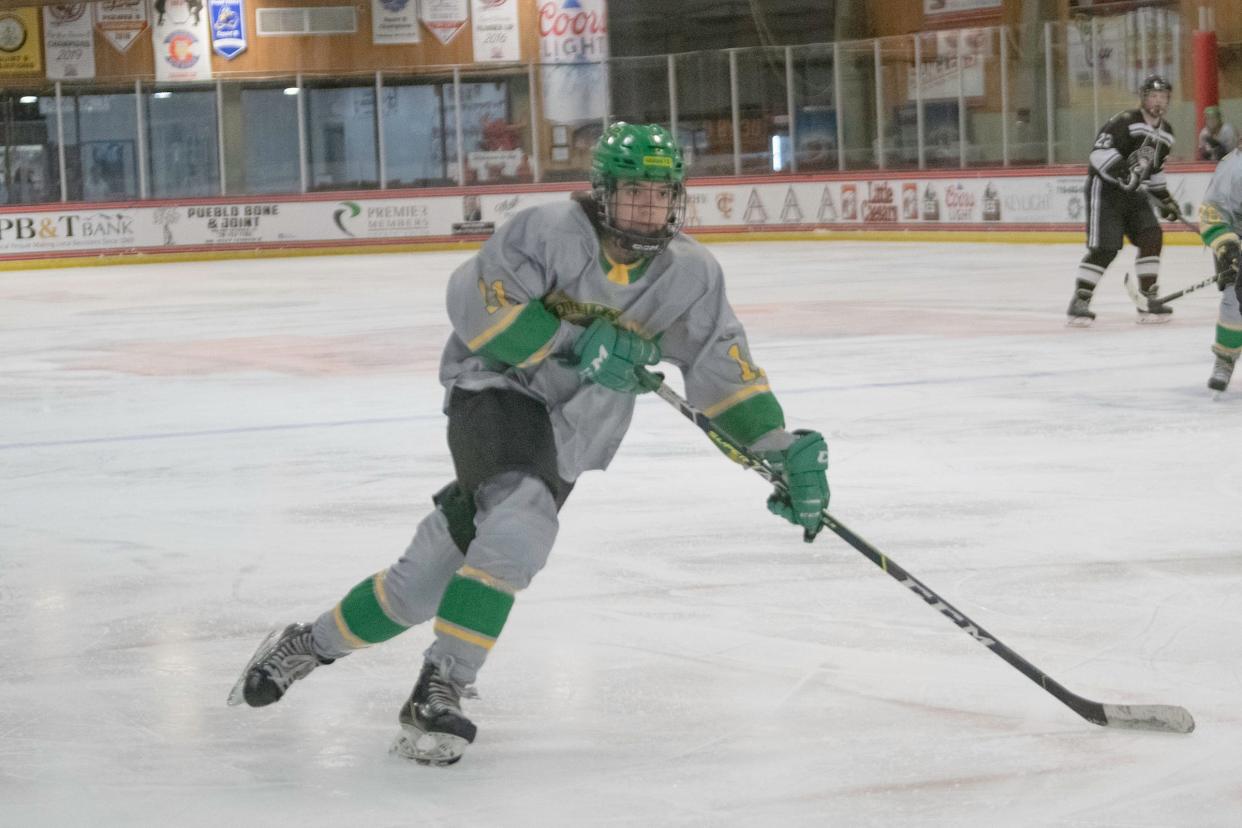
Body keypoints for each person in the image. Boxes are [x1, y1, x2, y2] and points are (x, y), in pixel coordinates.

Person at [227, 122, 831, 767]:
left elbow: (724, 370)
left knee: (420, 586)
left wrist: (775, 448)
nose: (647, 208)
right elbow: (475, 306)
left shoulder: (692, 274)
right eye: (633, 192)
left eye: (660, 195)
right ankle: (443, 687)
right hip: (494, 390)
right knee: (520, 524)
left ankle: (305, 644)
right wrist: (578, 345)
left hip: (572, 430)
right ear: (602, 192)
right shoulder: (545, 232)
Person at [1066, 74, 1179, 326]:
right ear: (1144, 98)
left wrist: (1165, 200)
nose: (1158, 101)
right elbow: (1099, 154)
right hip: (1106, 192)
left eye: (1163, 96)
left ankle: (1148, 299)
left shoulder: (1167, 134)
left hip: (1135, 195)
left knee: (1152, 236)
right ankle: (1080, 301)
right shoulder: (1124, 121)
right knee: (1106, 248)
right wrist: (1123, 171)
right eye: (1153, 96)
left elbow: (1156, 171)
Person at [1197, 147, 1242, 391]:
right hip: (1235, 238)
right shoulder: (1233, 169)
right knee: (1234, 302)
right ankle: (1225, 360)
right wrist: (1229, 248)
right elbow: (1211, 213)